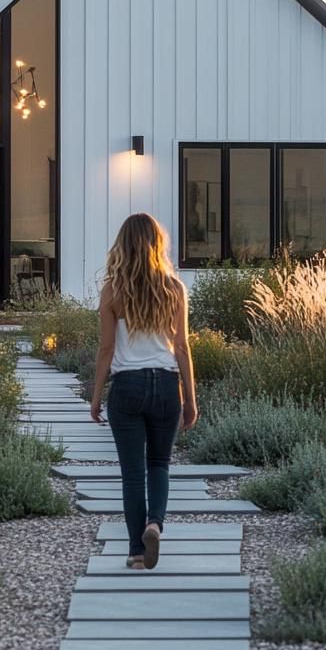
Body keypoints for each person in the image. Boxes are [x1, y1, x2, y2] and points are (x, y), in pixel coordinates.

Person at [90, 213, 198, 570]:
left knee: (133, 473)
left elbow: (106, 349)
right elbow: (181, 348)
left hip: (127, 387)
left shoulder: (113, 290)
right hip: (166, 385)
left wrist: (94, 398)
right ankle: (155, 523)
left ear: (123, 244)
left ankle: (137, 551)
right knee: (160, 465)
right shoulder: (173, 288)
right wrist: (191, 400)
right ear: (157, 244)